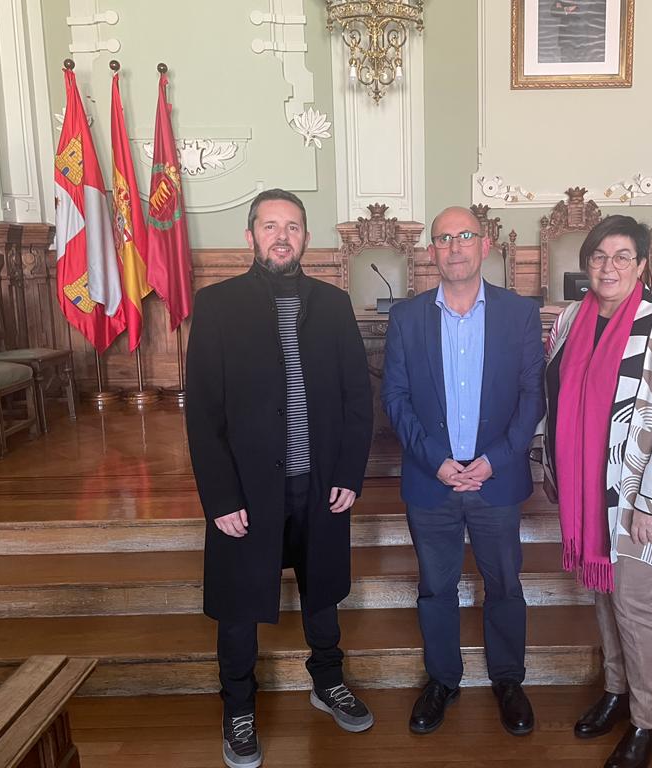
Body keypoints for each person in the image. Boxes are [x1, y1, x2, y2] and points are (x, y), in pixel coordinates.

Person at [186, 188, 375, 768]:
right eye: (270, 225)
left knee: (322, 593)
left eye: (292, 226)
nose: (282, 235)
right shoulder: (216, 305)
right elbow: (203, 410)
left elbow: (356, 398)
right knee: (239, 606)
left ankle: (327, 681)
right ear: (250, 237)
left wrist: (348, 473)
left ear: (306, 239)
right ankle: (238, 706)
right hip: (246, 490)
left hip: (319, 485)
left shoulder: (333, 303)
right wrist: (219, 497)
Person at [540, 215, 652, 768]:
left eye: (621, 257)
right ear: (585, 264)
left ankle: (650, 722)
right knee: (602, 594)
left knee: (637, 607)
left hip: (639, 497)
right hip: (588, 491)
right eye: (598, 257)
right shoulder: (572, 318)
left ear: (642, 265)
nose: (608, 266)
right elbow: (553, 396)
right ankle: (617, 692)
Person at [381, 206, 545, 737]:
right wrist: (438, 461)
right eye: (444, 239)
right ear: (432, 253)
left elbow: (531, 398)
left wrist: (493, 460)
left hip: (496, 480)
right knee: (435, 587)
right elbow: (396, 398)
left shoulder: (518, 314)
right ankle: (442, 680)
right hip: (433, 480)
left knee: (504, 583)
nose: (454, 247)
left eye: (465, 236)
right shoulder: (407, 318)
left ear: (485, 245)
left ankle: (507, 679)